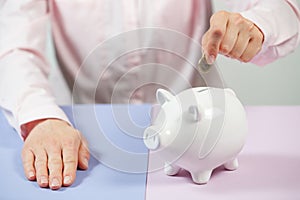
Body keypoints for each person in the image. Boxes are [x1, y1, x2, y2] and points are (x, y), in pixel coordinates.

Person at [0, 0, 299, 190]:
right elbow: (14, 46)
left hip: (197, 121)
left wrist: (257, 24)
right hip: (90, 127)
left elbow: (281, 9)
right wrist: (39, 117)